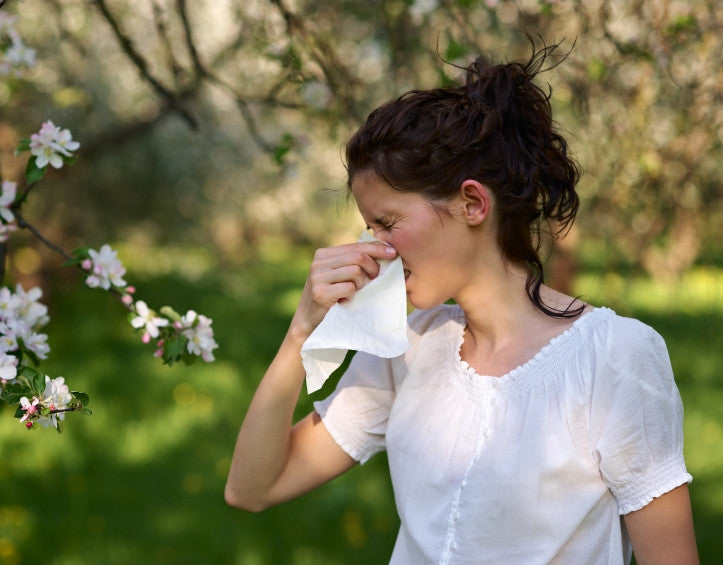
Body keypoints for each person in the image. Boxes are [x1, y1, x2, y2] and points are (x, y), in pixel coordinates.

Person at [225, 39, 699, 564]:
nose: (373, 248)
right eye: (369, 225)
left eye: (387, 222)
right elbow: (252, 489)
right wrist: (301, 333)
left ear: (472, 202)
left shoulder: (612, 356)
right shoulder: (407, 346)